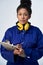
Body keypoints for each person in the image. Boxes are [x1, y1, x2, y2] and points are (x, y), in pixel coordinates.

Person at [1, 0, 43, 65]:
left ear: (29, 16)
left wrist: (26, 52)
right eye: (20, 14)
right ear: (17, 15)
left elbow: (41, 51)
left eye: (25, 14)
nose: (22, 17)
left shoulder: (36, 31)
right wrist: (14, 53)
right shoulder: (9, 31)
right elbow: (3, 51)